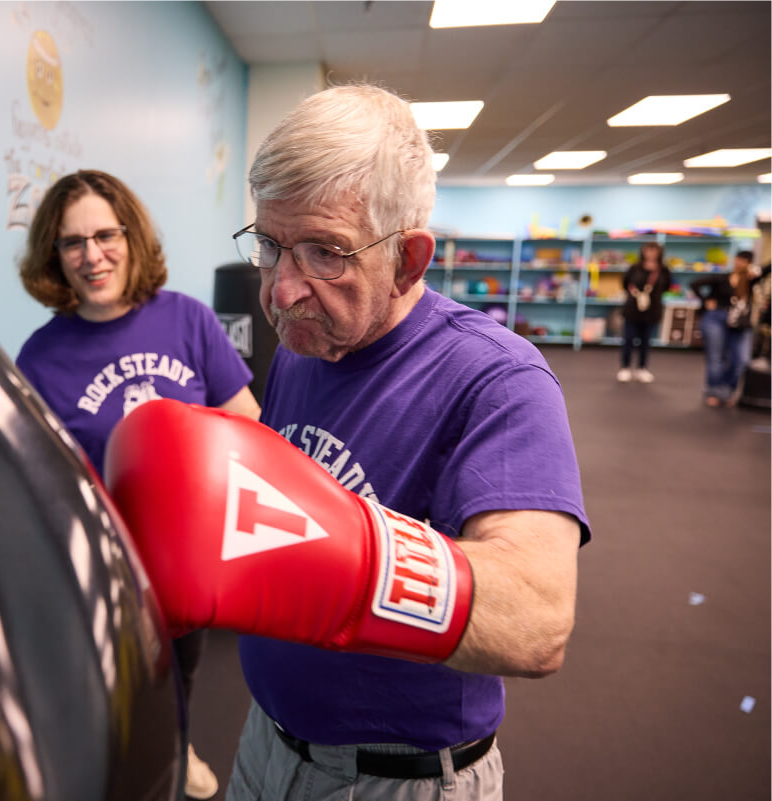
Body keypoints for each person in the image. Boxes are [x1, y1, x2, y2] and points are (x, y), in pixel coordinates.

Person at [102, 84, 590, 801]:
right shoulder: (307, 346)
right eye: (269, 245)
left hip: (399, 778)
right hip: (267, 738)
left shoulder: (497, 378)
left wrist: (348, 564)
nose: (282, 290)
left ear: (408, 259)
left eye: (324, 253)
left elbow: (537, 619)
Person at [15, 168, 261, 800]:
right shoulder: (40, 358)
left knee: (179, 673)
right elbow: (35, 478)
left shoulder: (187, 320)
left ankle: (178, 746)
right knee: (103, 690)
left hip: (185, 559)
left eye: (105, 235)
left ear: (131, 236)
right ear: (54, 255)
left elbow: (248, 428)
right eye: (72, 243)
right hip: (98, 566)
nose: (91, 255)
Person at [690, 250, 757, 407]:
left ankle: (727, 391)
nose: (741, 263)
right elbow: (695, 283)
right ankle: (713, 391)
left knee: (739, 359)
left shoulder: (751, 281)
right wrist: (706, 300)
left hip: (739, 323)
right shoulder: (722, 277)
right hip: (716, 318)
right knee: (716, 357)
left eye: (745, 261)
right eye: (739, 260)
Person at [617, 242, 672, 383]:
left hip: (651, 311)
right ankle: (625, 368)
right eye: (648, 250)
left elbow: (667, 286)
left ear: (659, 253)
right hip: (632, 310)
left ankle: (642, 368)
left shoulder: (663, 270)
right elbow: (625, 283)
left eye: (654, 250)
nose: (651, 253)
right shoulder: (635, 268)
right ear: (643, 252)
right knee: (628, 339)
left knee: (646, 341)